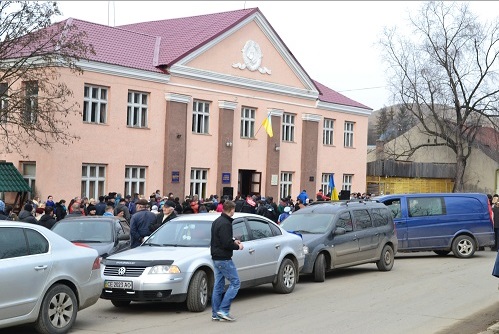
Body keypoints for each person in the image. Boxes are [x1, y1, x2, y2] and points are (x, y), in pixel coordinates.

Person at [211, 200, 243, 322]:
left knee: (218, 285)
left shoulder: (217, 221)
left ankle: (215, 313)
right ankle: (223, 310)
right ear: (231, 210)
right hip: (223, 258)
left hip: (216, 257)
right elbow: (226, 243)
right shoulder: (225, 223)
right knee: (235, 283)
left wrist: (233, 240)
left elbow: (221, 238)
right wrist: (237, 246)